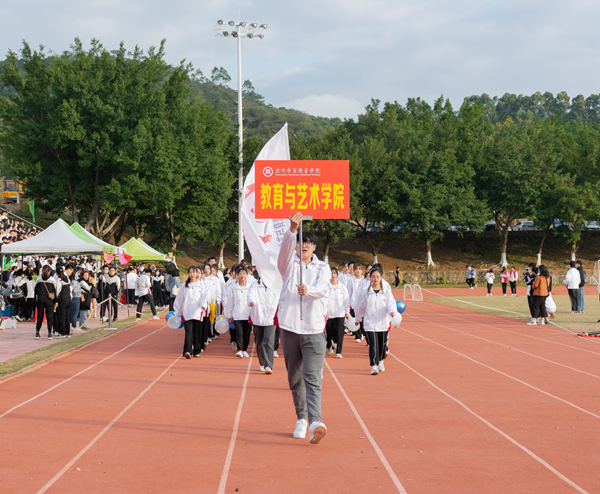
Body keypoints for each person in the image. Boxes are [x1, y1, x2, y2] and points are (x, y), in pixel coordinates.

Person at [277, 212, 331, 445]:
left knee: (312, 376)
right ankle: (301, 418)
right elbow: (282, 257)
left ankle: (315, 422)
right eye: (301, 242)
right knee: (294, 377)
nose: (305, 245)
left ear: (314, 247)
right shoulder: (289, 265)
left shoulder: (323, 268)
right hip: (290, 328)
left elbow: (322, 290)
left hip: (314, 329)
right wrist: (291, 231)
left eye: (308, 242)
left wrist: (306, 290)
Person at [354, 265, 397, 375]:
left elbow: (390, 303)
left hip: (382, 323)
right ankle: (373, 365)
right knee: (372, 345)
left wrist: (392, 311)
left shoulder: (385, 291)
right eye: (373, 277)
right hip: (369, 323)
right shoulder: (366, 292)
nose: (375, 279)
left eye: (377, 277)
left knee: (382, 345)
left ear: (381, 277)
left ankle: (381, 360)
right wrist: (358, 318)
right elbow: (360, 306)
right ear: (370, 278)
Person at [173, 266, 209, 358]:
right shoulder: (185, 285)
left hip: (197, 312)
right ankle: (187, 351)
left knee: (197, 332)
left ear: (197, 273)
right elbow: (179, 299)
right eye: (190, 272)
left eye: (194, 272)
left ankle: (196, 351)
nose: (192, 274)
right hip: (187, 312)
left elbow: (205, 297)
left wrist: (203, 306)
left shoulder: (201, 285)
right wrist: (177, 311)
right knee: (188, 332)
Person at [248, 274, 279, 374]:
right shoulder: (254, 284)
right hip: (258, 316)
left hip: (271, 317)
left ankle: (269, 365)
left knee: (269, 341)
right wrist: (251, 301)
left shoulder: (275, 285)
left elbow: (280, 297)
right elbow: (250, 295)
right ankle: (262, 363)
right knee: (259, 341)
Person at [225, 266, 253, 358]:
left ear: (247, 275)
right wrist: (228, 314)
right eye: (240, 274)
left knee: (247, 333)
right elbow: (230, 302)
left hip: (248, 314)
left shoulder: (251, 287)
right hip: (237, 314)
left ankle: (245, 349)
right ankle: (240, 350)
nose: (242, 276)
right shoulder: (233, 288)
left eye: (244, 274)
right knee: (239, 333)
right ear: (237, 275)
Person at [326, 267, 350, 359]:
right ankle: (328, 345)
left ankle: (339, 351)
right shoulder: (326, 287)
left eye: (334, 273)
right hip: (329, 313)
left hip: (340, 313)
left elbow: (346, 300)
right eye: (331, 273)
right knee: (329, 332)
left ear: (337, 275)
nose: (333, 275)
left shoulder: (342, 287)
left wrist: (347, 312)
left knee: (340, 332)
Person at [34, 265, 57, 339]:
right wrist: (55, 301)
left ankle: (37, 332)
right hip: (49, 300)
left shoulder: (39, 278)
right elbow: (54, 291)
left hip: (40, 299)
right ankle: (49, 333)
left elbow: (36, 290)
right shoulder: (52, 279)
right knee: (49, 317)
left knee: (39, 317)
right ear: (49, 271)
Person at [55, 265, 74, 338]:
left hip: (62, 299)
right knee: (67, 316)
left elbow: (58, 291)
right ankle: (67, 332)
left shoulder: (59, 280)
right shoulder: (67, 279)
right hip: (68, 298)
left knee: (61, 316)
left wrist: (56, 300)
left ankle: (62, 333)